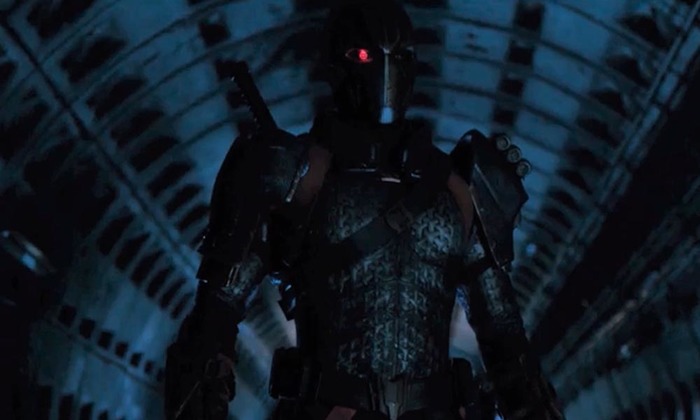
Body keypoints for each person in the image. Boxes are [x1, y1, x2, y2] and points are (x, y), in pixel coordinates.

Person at [165, 1, 564, 419]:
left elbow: (507, 346)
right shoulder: (288, 173)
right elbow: (213, 323)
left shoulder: (459, 188)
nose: (385, 70)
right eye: (365, 55)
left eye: (399, 56)